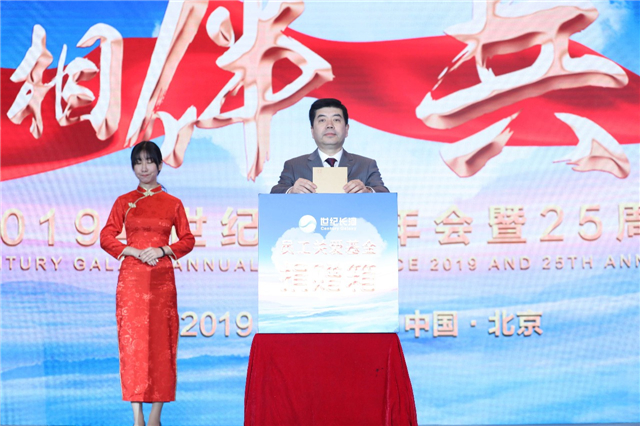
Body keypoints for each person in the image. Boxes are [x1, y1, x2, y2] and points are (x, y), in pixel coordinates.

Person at [100, 141, 195, 426]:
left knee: (162, 344)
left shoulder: (173, 203)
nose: (144, 168)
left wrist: (163, 250)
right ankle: (137, 416)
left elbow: (188, 240)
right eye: (138, 162)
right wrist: (131, 250)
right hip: (131, 281)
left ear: (160, 165)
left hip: (162, 280)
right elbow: (106, 237)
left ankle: (155, 415)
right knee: (134, 347)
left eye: (149, 161)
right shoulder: (124, 201)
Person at [270, 98, 389, 194]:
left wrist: (368, 191)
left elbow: (384, 194)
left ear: (346, 129)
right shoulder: (294, 166)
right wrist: (291, 191)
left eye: (336, 120)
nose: (329, 125)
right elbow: (275, 193)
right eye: (322, 120)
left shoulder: (366, 165)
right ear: (312, 131)